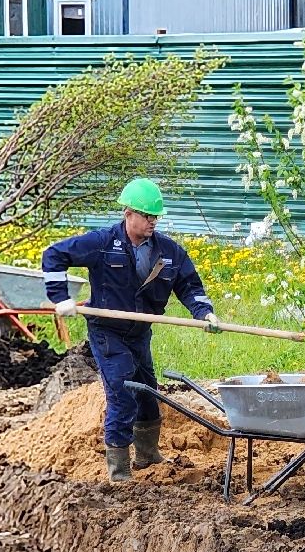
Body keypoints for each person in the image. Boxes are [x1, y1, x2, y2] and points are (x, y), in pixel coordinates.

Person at [42, 178, 222, 482]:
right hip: (107, 331)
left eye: (156, 217)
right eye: (147, 216)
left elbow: (190, 286)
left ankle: (148, 455)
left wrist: (205, 313)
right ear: (129, 213)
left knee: (148, 393)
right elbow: (53, 255)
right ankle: (119, 472)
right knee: (123, 392)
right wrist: (60, 298)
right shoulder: (102, 243)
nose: (153, 222)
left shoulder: (168, 253)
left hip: (140, 332)